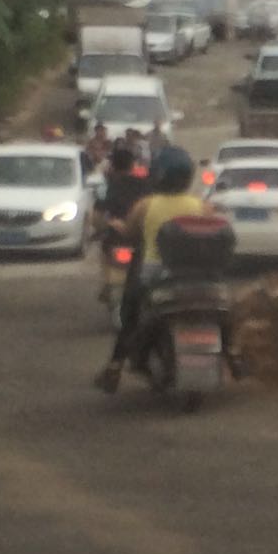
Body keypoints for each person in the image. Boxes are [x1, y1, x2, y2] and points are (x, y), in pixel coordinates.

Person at [94, 145, 210, 394]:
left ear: (158, 174)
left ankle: (115, 366)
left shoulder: (145, 205)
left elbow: (128, 232)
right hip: (196, 274)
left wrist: (116, 225)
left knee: (130, 313)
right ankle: (233, 353)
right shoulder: (201, 206)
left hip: (154, 276)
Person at [92, 145, 150, 304]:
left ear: (112, 166)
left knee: (104, 251)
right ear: (132, 165)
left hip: (116, 238)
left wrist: (101, 228)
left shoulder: (106, 187)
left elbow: (96, 218)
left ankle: (107, 284)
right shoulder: (146, 185)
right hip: (142, 236)